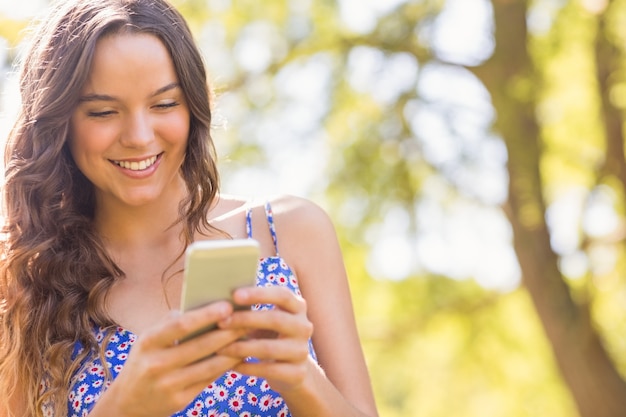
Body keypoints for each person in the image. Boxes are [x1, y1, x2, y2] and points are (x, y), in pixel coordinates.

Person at [0, 0, 379, 416]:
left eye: (163, 104)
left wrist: (302, 377)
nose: (140, 136)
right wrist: (124, 407)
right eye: (104, 112)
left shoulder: (289, 233)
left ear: (194, 107)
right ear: (58, 124)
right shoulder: (22, 284)